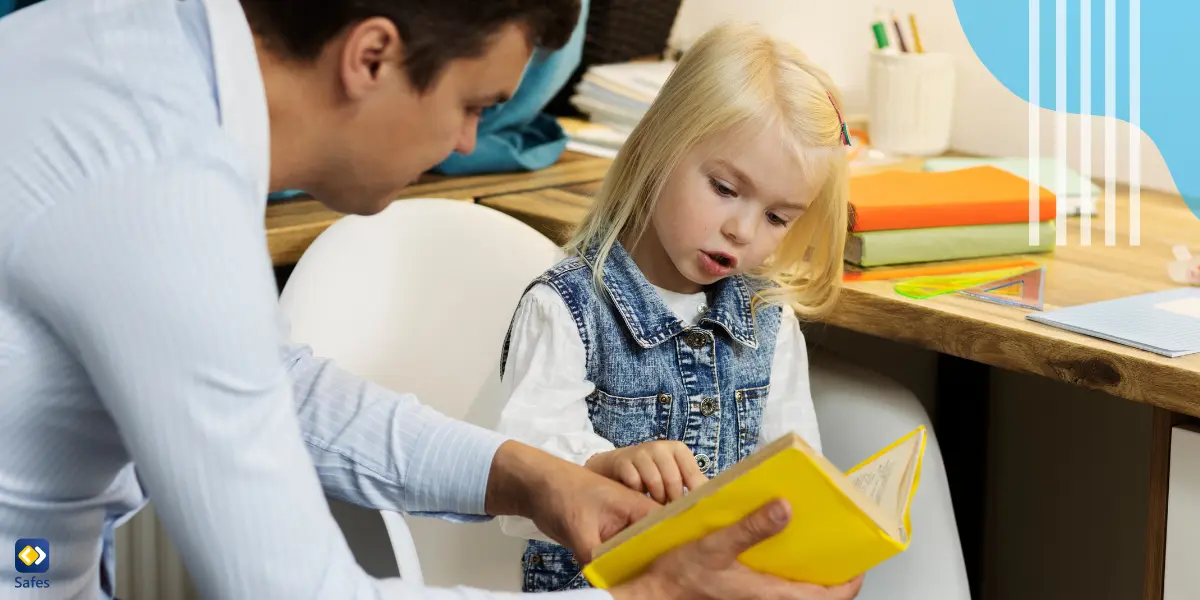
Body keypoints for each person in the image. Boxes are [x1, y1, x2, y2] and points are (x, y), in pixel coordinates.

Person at [0, 0, 864, 599]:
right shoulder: (158, 191)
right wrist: (648, 595)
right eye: (472, 104)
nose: (466, 141)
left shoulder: (145, 53)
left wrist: (532, 477)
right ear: (371, 56)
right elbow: (294, 590)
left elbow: (267, 381)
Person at [494, 22, 858, 593]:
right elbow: (517, 492)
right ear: (659, 143)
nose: (741, 230)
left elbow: (793, 472)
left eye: (777, 217)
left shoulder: (768, 321)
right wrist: (602, 468)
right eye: (724, 188)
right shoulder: (567, 309)